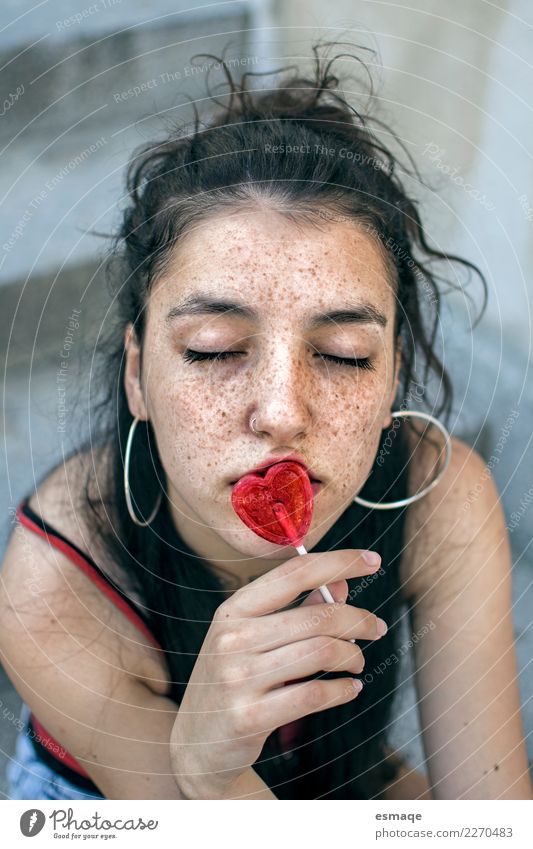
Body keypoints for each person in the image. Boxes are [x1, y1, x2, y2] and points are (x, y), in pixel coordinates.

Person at [1, 43, 531, 801]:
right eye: (214, 349)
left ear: (392, 379)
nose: (282, 412)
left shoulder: (439, 500)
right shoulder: (51, 587)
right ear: (136, 374)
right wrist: (210, 771)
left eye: (344, 355)